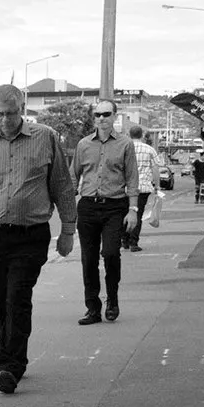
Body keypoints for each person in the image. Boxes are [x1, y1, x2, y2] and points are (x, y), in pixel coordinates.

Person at [0, 85, 76, 394]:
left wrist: (69, 231)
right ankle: (16, 355)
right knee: (3, 302)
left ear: (22, 109)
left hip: (31, 235)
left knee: (17, 297)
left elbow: (62, 184)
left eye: (10, 113)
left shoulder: (45, 137)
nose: (4, 120)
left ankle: (9, 366)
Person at [71, 99, 138, 324]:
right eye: (98, 115)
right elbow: (74, 175)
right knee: (88, 259)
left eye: (106, 114)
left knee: (110, 253)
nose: (101, 118)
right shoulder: (83, 145)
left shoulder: (125, 144)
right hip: (88, 206)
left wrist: (133, 210)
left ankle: (113, 298)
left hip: (114, 206)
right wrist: (67, 205)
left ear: (115, 116)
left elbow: (132, 178)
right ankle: (92, 307)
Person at [124, 124, 161, 252]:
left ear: (129, 135)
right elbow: (156, 168)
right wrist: (157, 186)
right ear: (142, 136)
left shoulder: (124, 148)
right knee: (137, 215)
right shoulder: (149, 149)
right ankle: (134, 243)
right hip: (143, 187)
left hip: (126, 188)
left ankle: (124, 240)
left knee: (124, 213)